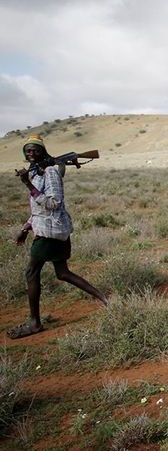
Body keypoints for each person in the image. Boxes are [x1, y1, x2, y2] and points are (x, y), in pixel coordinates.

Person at [8, 136, 108, 339]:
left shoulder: (50, 172)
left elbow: (54, 203)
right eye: (28, 151)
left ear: (43, 151)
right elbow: (38, 208)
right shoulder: (37, 171)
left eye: (36, 150)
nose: (31, 154)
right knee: (62, 273)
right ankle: (106, 299)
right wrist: (26, 227)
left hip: (49, 232)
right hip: (52, 229)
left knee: (31, 272)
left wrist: (28, 185)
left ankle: (35, 323)